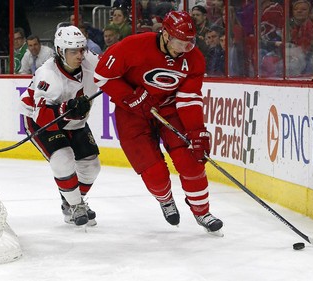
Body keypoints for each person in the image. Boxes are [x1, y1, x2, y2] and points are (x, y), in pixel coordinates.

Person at [94, 11, 224, 234]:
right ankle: (165, 199)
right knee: (153, 172)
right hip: (132, 112)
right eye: (179, 42)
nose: (184, 49)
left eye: (189, 43)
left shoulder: (194, 58)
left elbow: (189, 98)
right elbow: (102, 76)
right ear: (165, 34)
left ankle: (202, 211)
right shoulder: (132, 46)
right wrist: (130, 97)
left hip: (171, 109)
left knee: (191, 160)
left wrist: (196, 131)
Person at [19, 26, 101, 227]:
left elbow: (115, 70)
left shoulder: (91, 61)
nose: (79, 55)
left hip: (74, 121)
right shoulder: (48, 75)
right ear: (60, 51)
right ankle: (74, 206)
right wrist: (67, 107)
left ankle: (71, 201)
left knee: (92, 166)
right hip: (40, 120)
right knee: (62, 160)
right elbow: (43, 116)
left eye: (81, 49)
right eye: (73, 51)